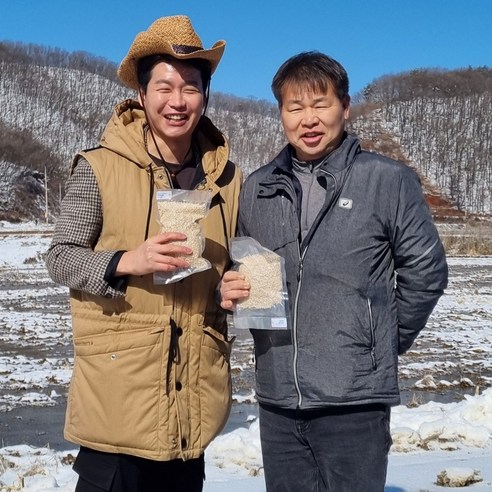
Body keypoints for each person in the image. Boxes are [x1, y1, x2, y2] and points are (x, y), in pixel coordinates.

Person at [219, 51, 448, 492]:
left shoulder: (386, 180)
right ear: (281, 113)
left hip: (354, 402)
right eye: (295, 107)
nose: (309, 119)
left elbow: (427, 270)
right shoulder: (258, 188)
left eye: (320, 104)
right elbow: (243, 272)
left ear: (344, 107)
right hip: (278, 398)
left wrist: (380, 341)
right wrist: (228, 290)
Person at [46, 15, 242, 492]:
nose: (177, 101)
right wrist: (125, 261)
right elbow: (59, 257)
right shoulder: (100, 167)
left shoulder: (227, 179)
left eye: (191, 87)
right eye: (165, 86)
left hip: (192, 403)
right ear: (141, 93)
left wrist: (232, 284)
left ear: (206, 94)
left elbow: (231, 265)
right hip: (120, 400)